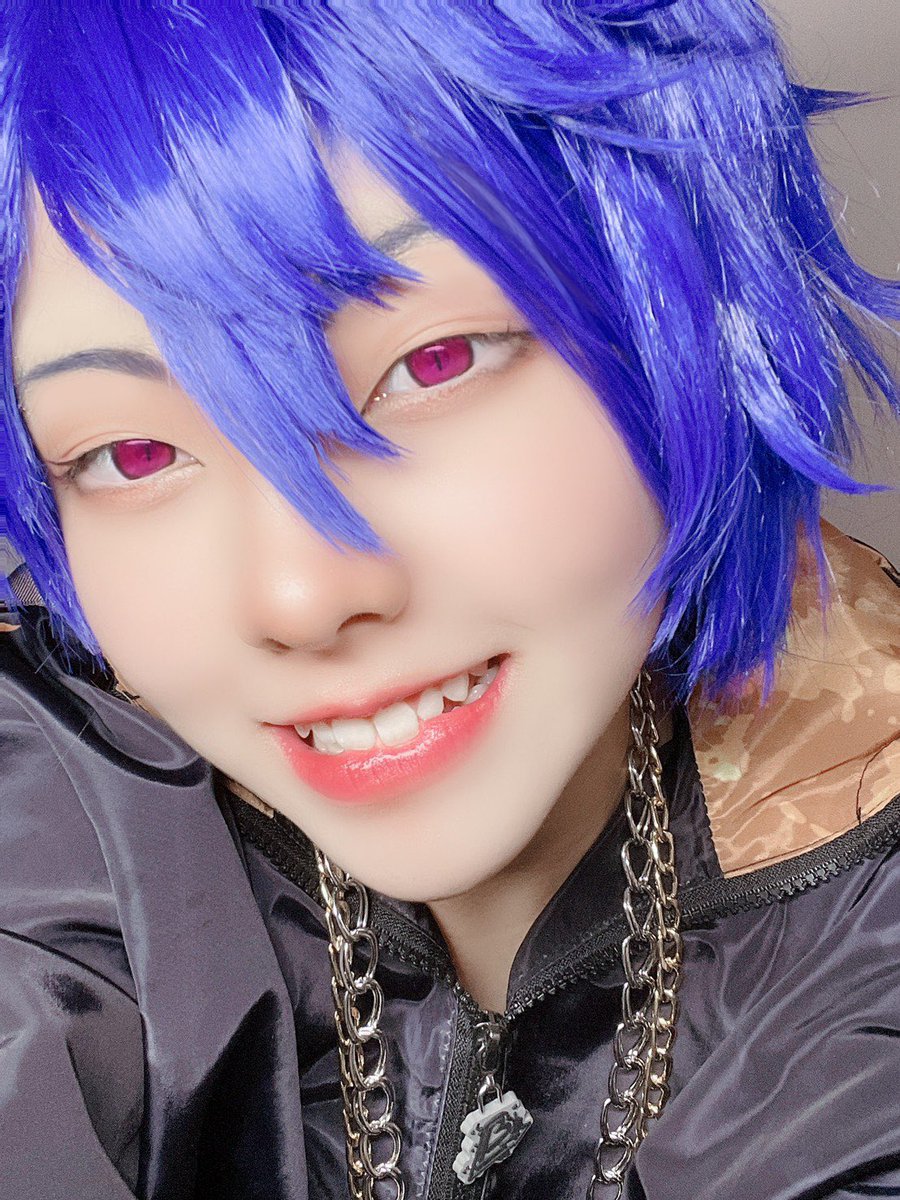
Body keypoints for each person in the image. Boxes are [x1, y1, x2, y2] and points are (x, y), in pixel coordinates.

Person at [1, 3, 898, 1198]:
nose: (300, 595)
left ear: (675, 297)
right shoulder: (52, 812)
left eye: (433, 362)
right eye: (131, 455)